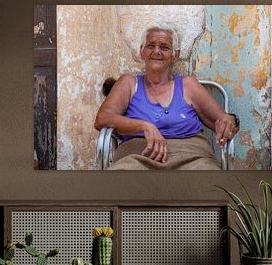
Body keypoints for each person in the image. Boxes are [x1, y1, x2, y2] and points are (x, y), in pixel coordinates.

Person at [94, 22, 239, 170]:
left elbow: (221, 119)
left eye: (164, 47)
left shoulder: (188, 85)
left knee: (211, 182)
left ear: (175, 55)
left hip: (191, 158)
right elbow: (102, 119)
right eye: (150, 46)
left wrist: (228, 120)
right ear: (142, 51)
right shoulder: (129, 83)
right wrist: (144, 126)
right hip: (138, 158)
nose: (156, 51)